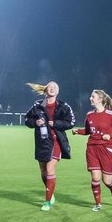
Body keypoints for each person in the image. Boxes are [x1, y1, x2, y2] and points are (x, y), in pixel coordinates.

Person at [23, 81, 75, 210]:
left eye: (54, 87)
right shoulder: (37, 105)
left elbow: (71, 122)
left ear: (58, 91)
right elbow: (26, 119)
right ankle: (50, 192)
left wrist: (56, 123)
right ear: (46, 91)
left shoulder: (63, 106)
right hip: (42, 142)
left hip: (56, 141)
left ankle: (46, 202)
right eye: (50, 87)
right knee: (43, 171)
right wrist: (36, 122)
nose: (52, 89)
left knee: (50, 168)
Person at [73, 89, 112, 209]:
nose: (90, 98)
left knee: (106, 181)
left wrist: (110, 135)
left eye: (93, 97)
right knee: (95, 178)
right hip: (92, 148)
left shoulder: (110, 115)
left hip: (106, 149)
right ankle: (98, 204)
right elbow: (88, 131)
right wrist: (78, 131)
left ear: (100, 100)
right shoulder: (89, 114)